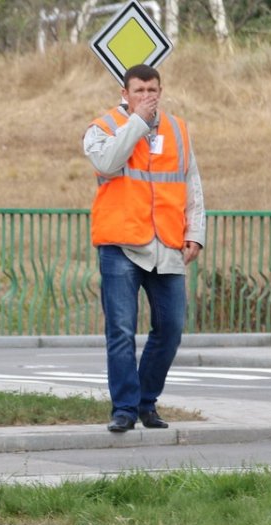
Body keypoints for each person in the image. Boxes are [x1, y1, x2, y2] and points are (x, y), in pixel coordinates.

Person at [83, 63, 206, 433]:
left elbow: (192, 182)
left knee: (171, 328)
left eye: (152, 91)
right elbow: (106, 162)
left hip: (166, 243)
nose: (147, 97)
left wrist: (195, 232)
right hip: (121, 243)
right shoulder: (102, 127)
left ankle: (145, 402)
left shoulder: (178, 129)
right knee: (120, 330)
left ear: (161, 91)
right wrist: (136, 122)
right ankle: (124, 408)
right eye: (139, 91)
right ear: (125, 94)